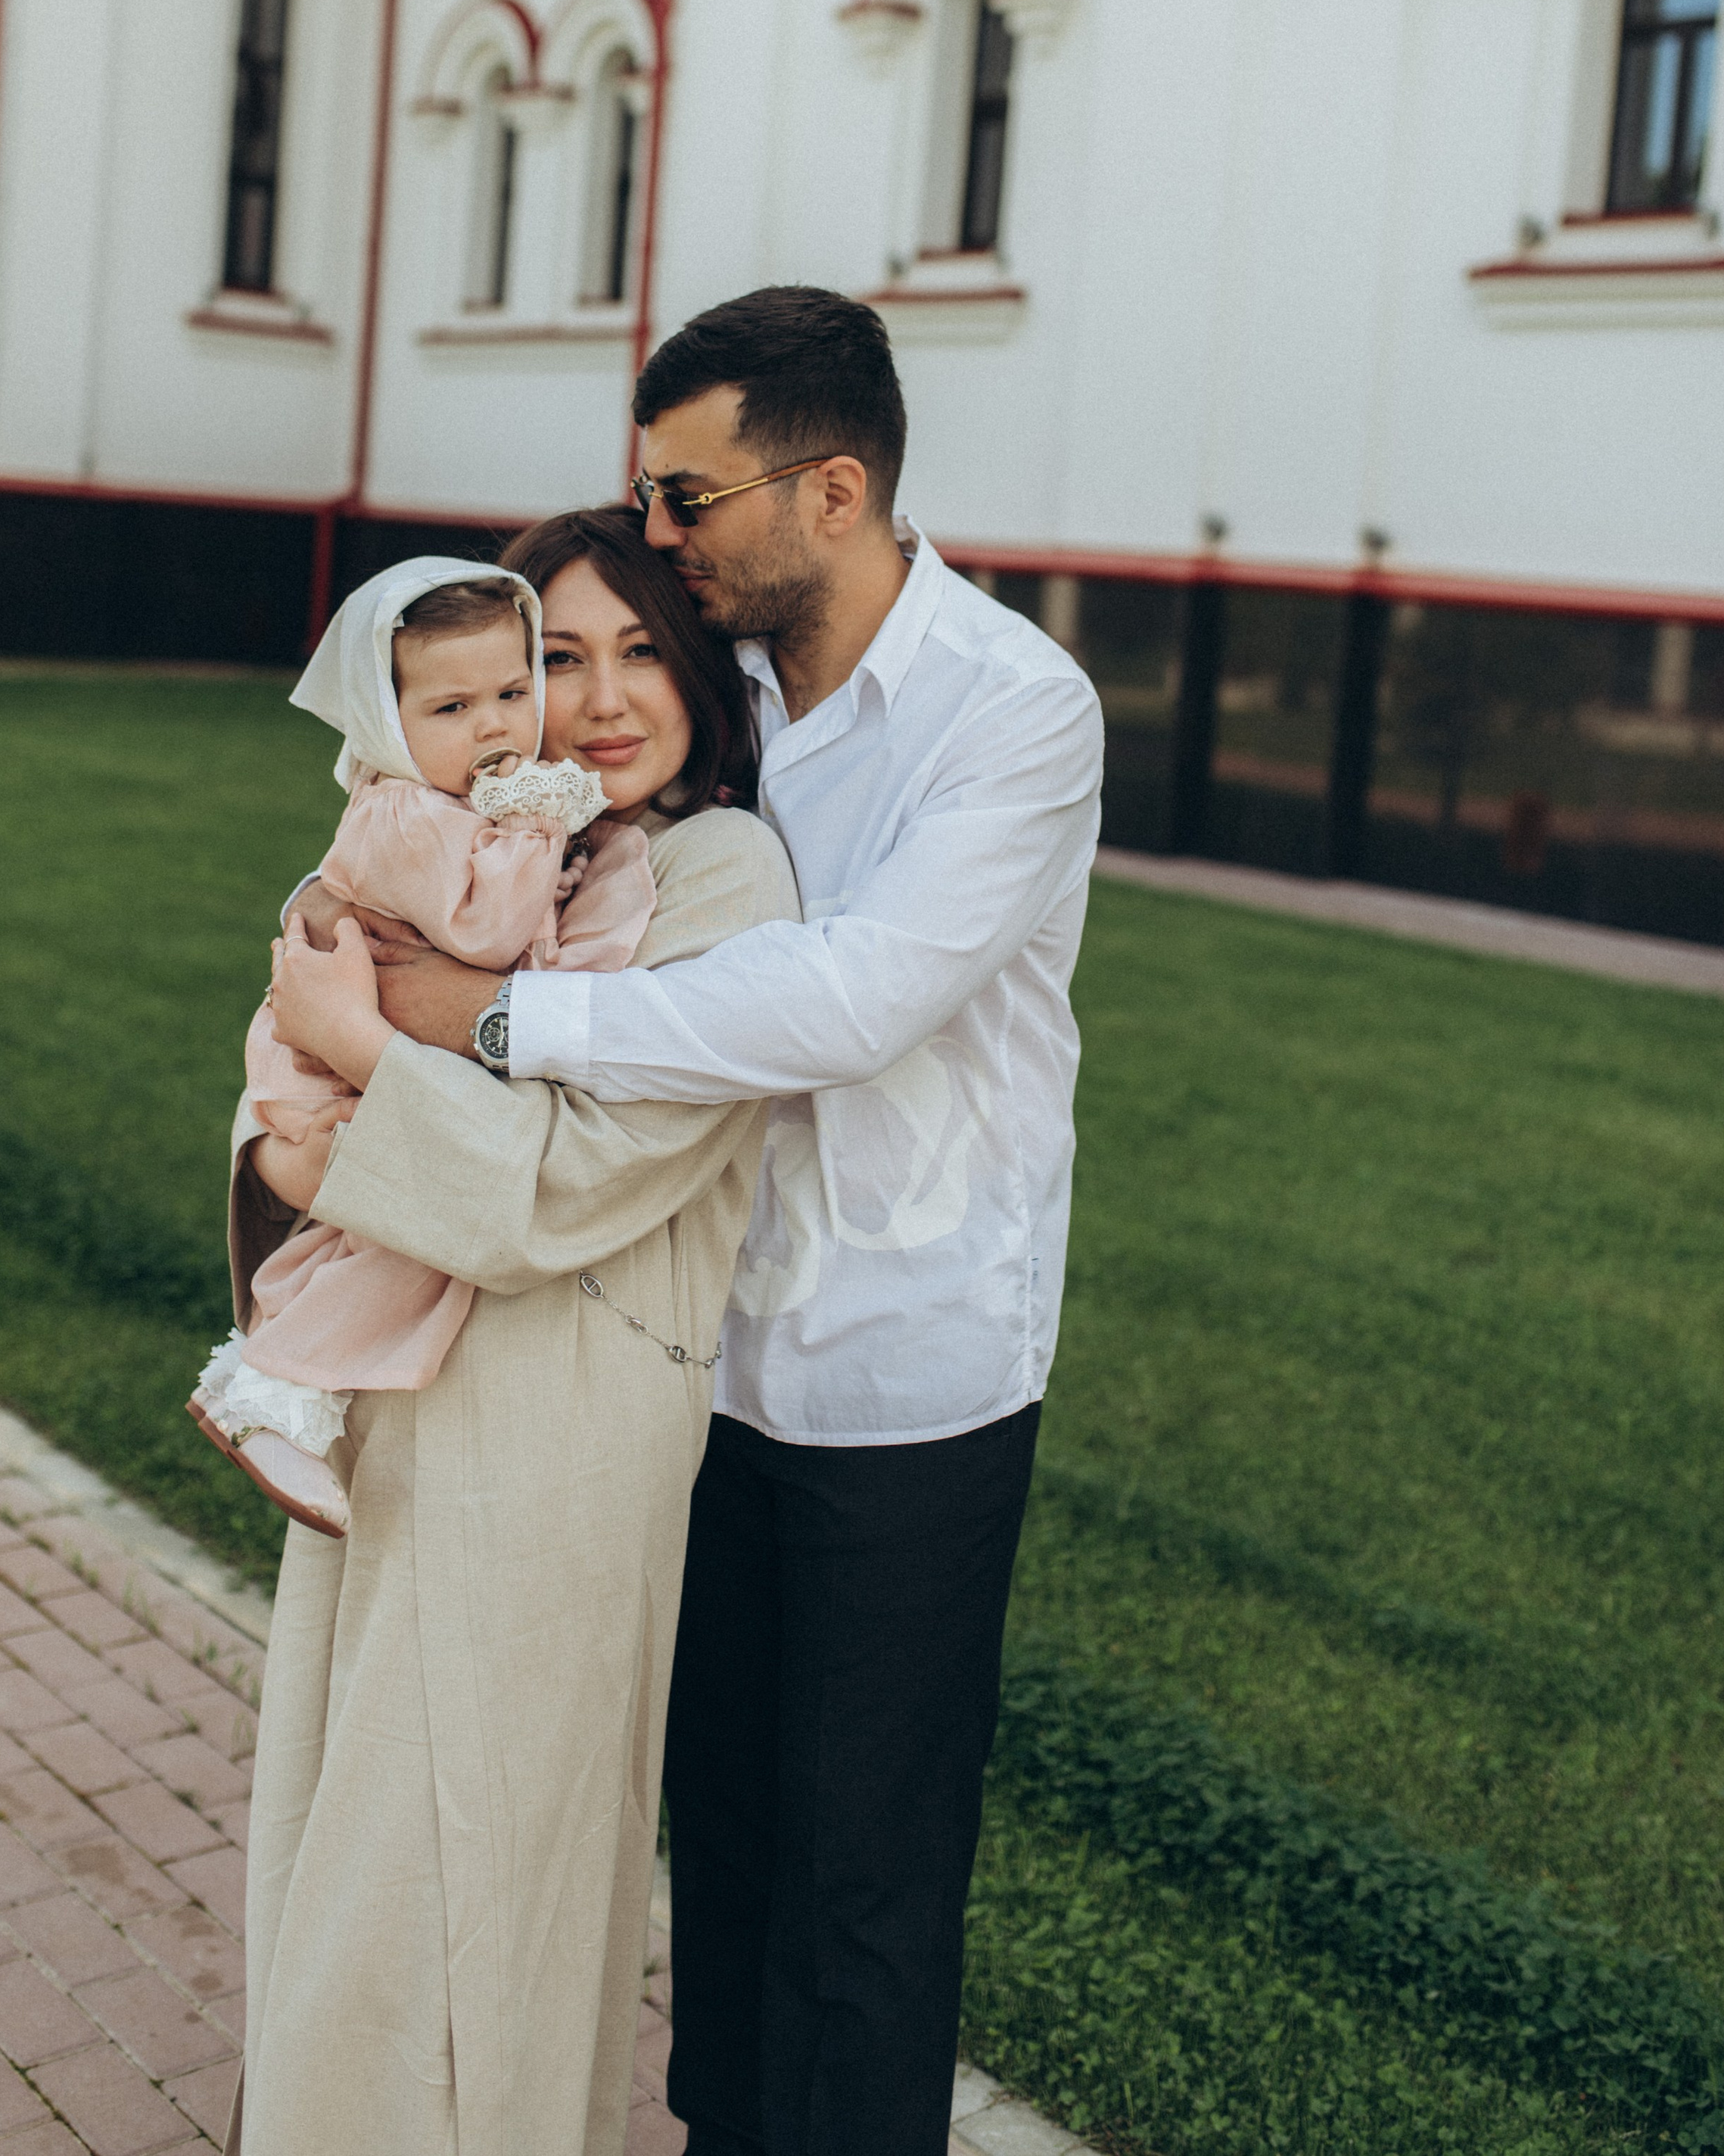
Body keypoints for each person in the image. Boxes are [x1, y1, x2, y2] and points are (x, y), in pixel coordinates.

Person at [335, 288, 1105, 2156]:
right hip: (697, 1367)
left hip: (900, 1377)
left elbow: (842, 1001)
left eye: (686, 497)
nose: (659, 535)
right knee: (728, 1854)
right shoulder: (716, 689)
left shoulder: (1014, 710)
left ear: (827, 490)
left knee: (859, 1897)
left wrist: (497, 1021)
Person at [225, 509, 798, 2156]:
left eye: (641, 652)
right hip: (400, 1402)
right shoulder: (453, 840)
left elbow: (578, 1176)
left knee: (470, 1881)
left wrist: (369, 1045)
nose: (599, 699)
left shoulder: (716, 875)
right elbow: (286, 1080)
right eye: (554, 658)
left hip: (563, 1426)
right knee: (350, 1837)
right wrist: (290, 1124)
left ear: (699, 673)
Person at [191, 556, 658, 1541]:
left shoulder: (450, 803)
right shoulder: (406, 809)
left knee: (387, 1229)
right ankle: (274, 1387)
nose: (494, 726)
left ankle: (278, 1370)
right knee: (422, 1230)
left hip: (368, 1047)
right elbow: (484, 934)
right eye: (451, 709)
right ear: (386, 724)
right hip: (332, 1058)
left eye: (512, 692)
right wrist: (542, 823)